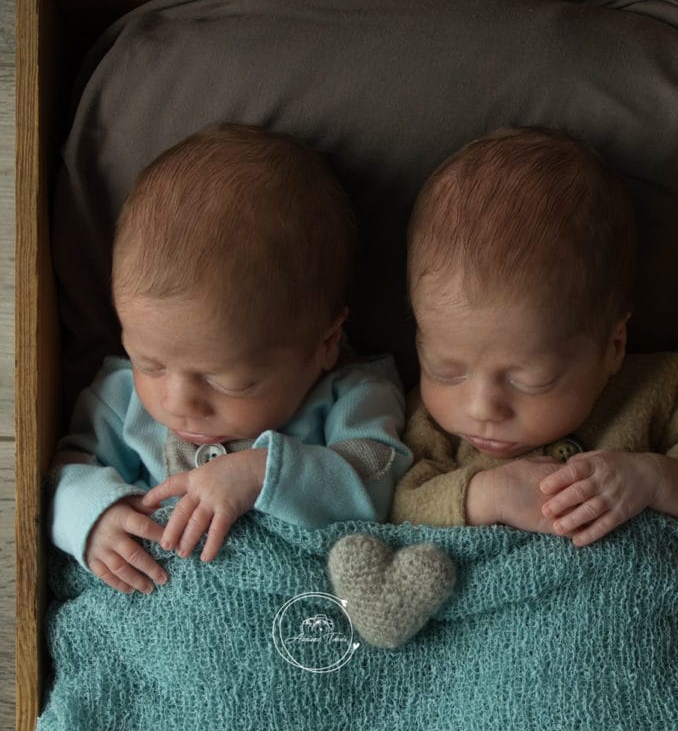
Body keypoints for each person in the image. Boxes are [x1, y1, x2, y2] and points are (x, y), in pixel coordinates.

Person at [49, 124, 412, 594]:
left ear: (324, 343)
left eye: (227, 381)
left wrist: (262, 472)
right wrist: (93, 516)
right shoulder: (120, 399)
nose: (178, 402)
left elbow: (380, 489)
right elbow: (59, 472)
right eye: (149, 363)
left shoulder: (355, 392)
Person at [390, 127, 678, 546]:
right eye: (444, 370)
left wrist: (653, 480)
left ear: (613, 345)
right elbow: (398, 511)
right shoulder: (427, 425)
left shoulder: (668, 388)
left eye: (528, 380)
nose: (482, 408)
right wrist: (487, 495)